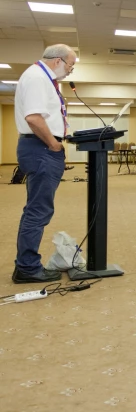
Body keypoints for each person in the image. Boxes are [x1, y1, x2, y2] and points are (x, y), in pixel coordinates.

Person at [13, 44, 77, 283]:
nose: (71, 70)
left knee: (37, 209)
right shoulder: (38, 78)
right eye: (71, 65)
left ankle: (26, 265)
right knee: (38, 210)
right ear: (58, 61)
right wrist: (53, 144)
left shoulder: (42, 78)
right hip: (40, 148)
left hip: (40, 147)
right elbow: (33, 117)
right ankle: (27, 268)